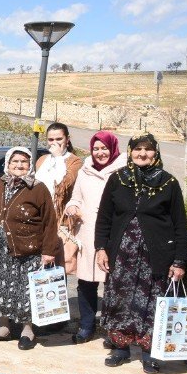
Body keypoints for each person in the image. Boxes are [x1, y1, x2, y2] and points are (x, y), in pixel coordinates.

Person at [95, 133, 187, 373]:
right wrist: (101, 248)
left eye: (148, 150)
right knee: (120, 300)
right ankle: (120, 348)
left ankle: (150, 352)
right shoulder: (118, 179)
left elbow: (180, 224)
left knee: (151, 304)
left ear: (156, 153)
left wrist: (179, 260)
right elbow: (104, 217)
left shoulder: (168, 183)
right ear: (130, 151)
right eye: (137, 149)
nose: (142, 154)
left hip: (155, 256)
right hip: (122, 254)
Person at [0, 147, 59, 350]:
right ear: (8, 163)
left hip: (27, 248)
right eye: (15, 162)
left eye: (23, 162)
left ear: (30, 165)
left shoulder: (38, 188)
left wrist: (49, 250)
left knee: (25, 292)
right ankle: (3, 328)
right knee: (1, 289)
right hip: (0, 248)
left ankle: (27, 331)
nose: (19, 165)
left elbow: (50, 221)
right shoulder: (0, 183)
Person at [63, 131, 126, 344]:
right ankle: (86, 326)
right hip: (88, 233)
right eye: (96, 149)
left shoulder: (124, 170)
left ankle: (113, 330)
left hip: (114, 234)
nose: (100, 153)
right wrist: (72, 208)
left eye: (104, 148)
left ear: (113, 148)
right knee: (86, 283)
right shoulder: (85, 170)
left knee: (113, 284)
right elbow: (76, 197)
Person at [35, 122, 82, 218]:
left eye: (59, 139)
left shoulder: (75, 161)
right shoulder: (42, 159)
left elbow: (64, 185)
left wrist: (59, 157)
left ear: (67, 139)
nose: (54, 143)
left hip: (58, 215)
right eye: (51, 140)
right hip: (38, 213)